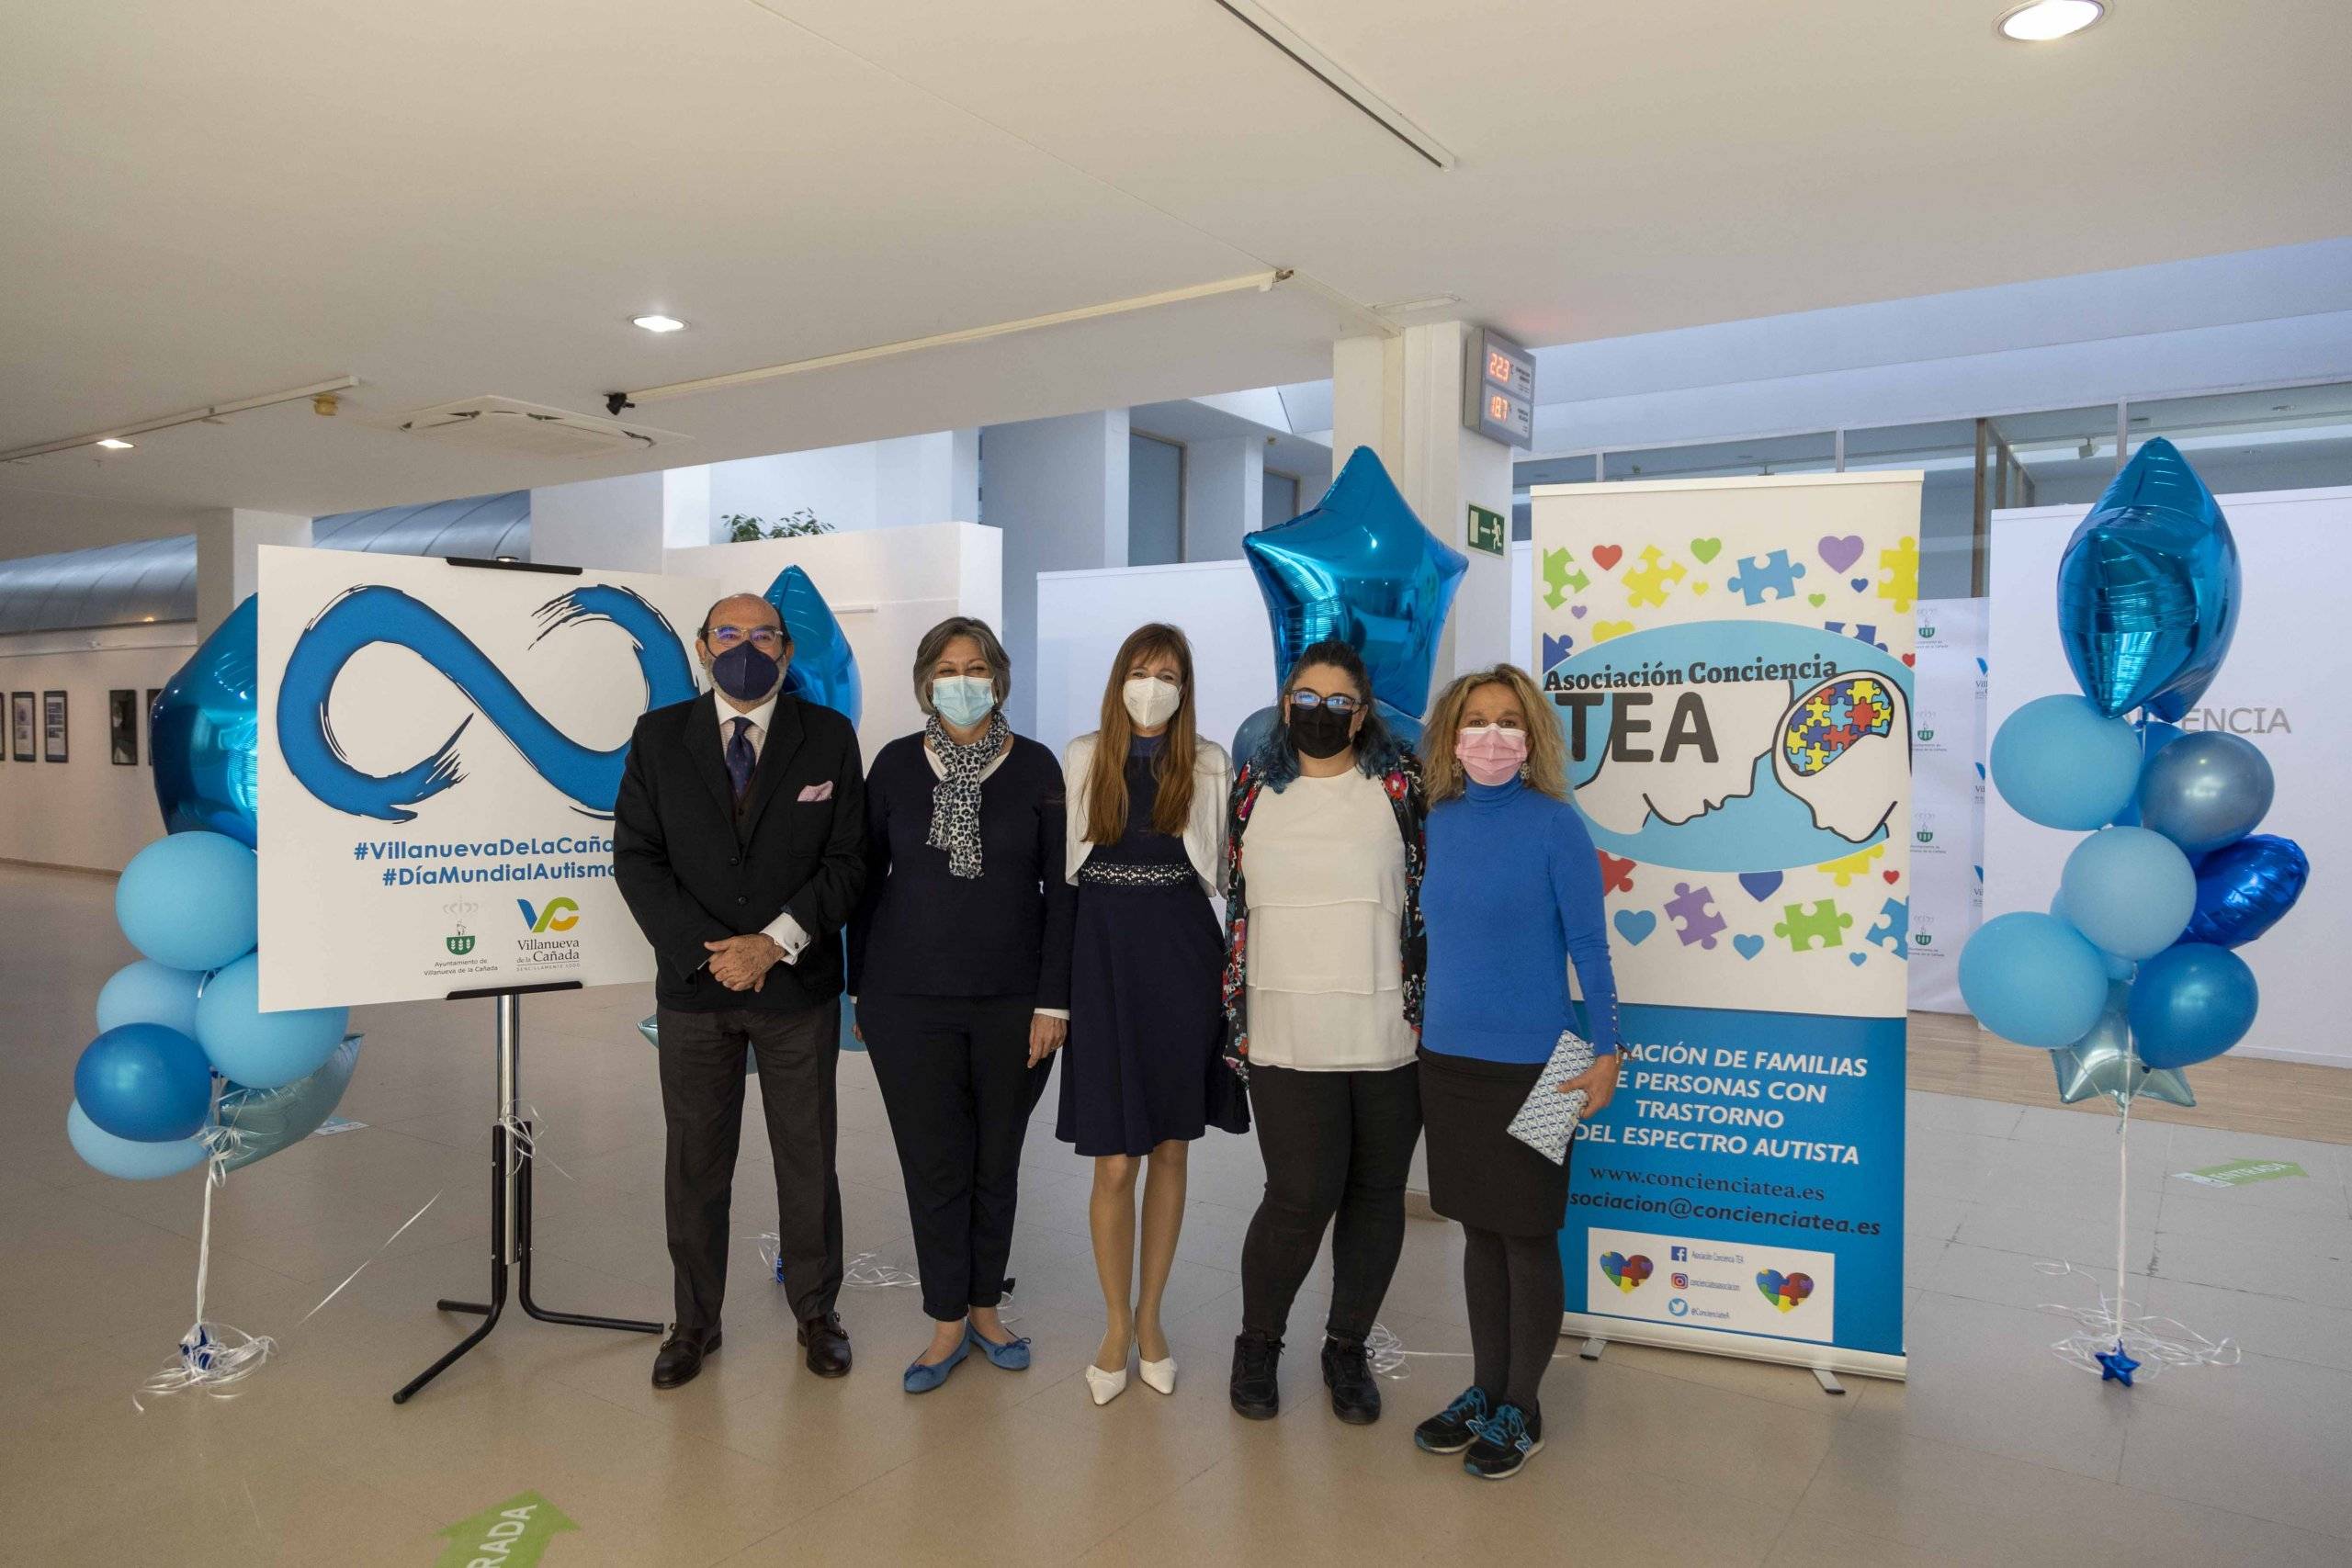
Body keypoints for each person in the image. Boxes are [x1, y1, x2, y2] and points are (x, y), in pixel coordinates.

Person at [613, 592, 865, 1391]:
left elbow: (850, 862)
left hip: (797, 987)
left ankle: (817, 1313)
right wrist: (710, 953)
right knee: (694, 1163)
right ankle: (694, 1323)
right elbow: (637, 859)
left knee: (807, 1157)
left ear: (786, 651)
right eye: (730, 633)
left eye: (764, 635)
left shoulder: (828, 736)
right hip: (695, 990)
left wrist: (774, 944)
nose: (746, 646)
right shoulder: (657, 738)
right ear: (701, 646)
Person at [848, 616, 1076, 1394]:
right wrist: (858, 988)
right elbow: (861, 883)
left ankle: (987, 1309)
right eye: (948, 667)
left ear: (1000, 678)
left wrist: (1056, 1001)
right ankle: (946, 1319)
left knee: (995, 1161)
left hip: (1015, 1004)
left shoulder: (1040, 767)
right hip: (906, 1001)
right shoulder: (892, 768)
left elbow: (1064, 894)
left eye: (976, 666)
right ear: (925, 682)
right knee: (934, 1163)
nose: (963, 678)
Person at [1409, 664, 1620, 1480]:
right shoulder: (1440, 820)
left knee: (1527, 1235)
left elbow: (1589, 947)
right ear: (1451, 737)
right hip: (1449, 1059)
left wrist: (1607, 1050)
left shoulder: (1555, 823)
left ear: (1530, 735)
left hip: (1543, 1064)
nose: (1490, 734)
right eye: (1475, 720)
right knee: (1476, 1230)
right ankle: (1483, 1387)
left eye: (1506, 720)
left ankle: (1521, 1406)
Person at [1221, 638, 1428, 1426]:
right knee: (1299, 1193)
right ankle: (1258, 1342)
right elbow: (1229, 897)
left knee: (1375, 1194)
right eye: (1308, 697)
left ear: (1364, 713)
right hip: (1283, 1025)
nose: (1322, 712)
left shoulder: (1401, 788)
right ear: (1284, 704)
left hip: (1387, 1027)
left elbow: (1432, 891)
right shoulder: (1250, 791)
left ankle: (1346, 1346)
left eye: (1340, 702)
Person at [1057, 622, 1240, 1405]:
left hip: (1180, 960)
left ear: (1185, 685)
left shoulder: (1206, 762)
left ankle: (1153, 1318)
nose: (1152, 685)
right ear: (1118, 677)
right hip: (1101, 960)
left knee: (1168, 1146)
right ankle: (1113, 1323)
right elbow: (1063, 883)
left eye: (1167, 673)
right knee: (1114, 1158)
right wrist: (1054, 997)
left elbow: (1226, 872)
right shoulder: (1081, 756)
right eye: (1139, 669)